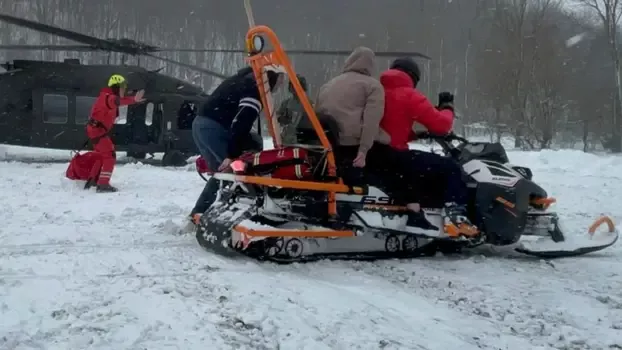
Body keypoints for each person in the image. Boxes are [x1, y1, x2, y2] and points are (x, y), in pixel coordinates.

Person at [379, 57, 479, 237]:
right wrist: (447, 109)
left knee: (419, 164)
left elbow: (388, 126)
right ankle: (455, 216)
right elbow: (441, 125)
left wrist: (415, 134)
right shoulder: (409, 95)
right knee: (450, 168)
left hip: (376, 153)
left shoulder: (376, 91)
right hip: (395, 155)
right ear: (413, 77)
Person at [189, 65, 286, 224]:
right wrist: (232, 155)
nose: (281, 84)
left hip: (202, 125)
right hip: (214, 127)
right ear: (272, 76)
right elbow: (242, 121)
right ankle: (206, 215)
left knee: (222, 177)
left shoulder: (244, 80)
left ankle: (203, 216)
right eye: (281, 79)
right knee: (231, 172)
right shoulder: (255, 87)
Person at [314, 46, 390, 183]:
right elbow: (371, 121)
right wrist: (363, 150)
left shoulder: (327, 85)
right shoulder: (373, 86)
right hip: (352, 146)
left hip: (328, 144)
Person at [86, 74, 145, 193]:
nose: (125, 90)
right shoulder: (107, 97)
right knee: (110, 155)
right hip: (97, 131)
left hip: (96, 131)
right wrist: (133, 99)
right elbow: (116, 101)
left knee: (101, 155)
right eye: (123, 87)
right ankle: (103, 184)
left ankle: (93, 179)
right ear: (116, 87)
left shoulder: (107, 96)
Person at [276, 74, 308, 144]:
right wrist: (281, 119)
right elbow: (276, 117)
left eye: (294, 85)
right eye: (291, 84)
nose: (292, 87)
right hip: (286, 140)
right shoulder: (286, 103)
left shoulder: (309, 105)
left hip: (302, 141)